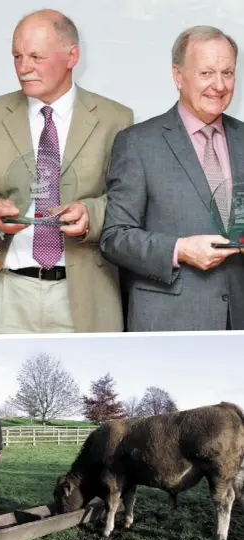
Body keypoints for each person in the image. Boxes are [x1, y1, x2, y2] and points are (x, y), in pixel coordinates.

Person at [0, 9, 133, 334]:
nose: (24, 68)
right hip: (5, 293)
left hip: (84, 295)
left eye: (36, 56)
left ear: (72, 56)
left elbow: (127, 201)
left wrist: (90, 214)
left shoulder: (116, 118)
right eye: (17, 56)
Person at [100, 25, 244, 331]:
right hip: (170, 325)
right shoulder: (138, 143)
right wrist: (179, 250)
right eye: (207, 73)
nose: (219, 85)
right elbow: (115, 238)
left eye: (228, 73)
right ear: (178, 76)